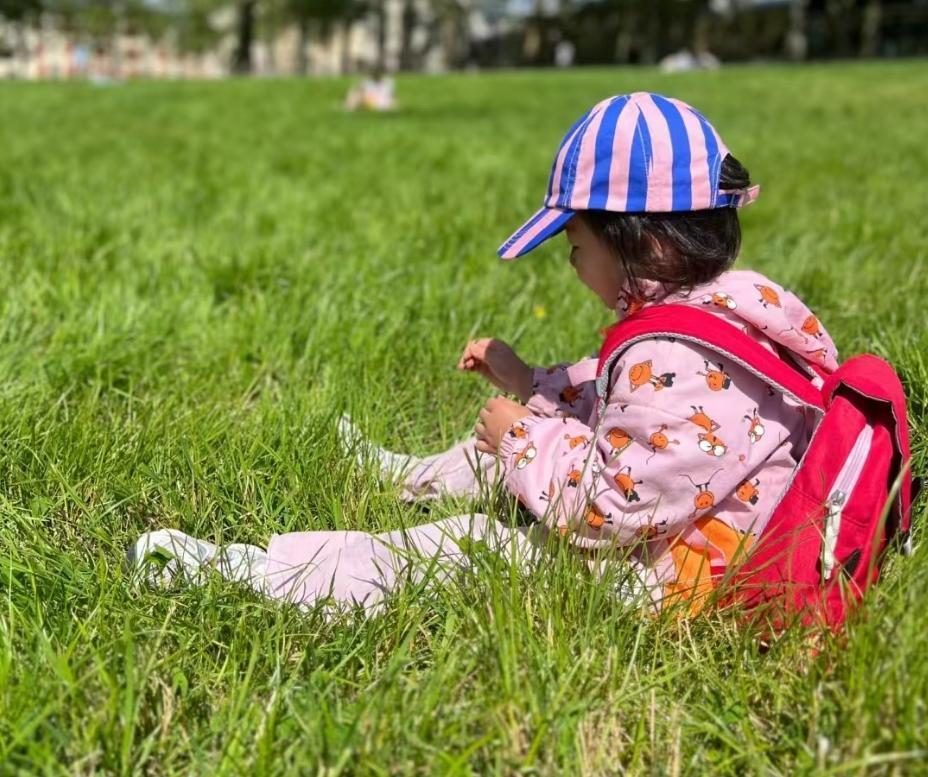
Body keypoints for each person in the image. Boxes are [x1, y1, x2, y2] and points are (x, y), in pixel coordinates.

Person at [134, 92, 837, 617]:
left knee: (476, 543)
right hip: (694, 519)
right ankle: (401, 476)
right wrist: (532, 382)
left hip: (688, 573)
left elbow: (613, 503)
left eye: (578, 245)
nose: (571, 262)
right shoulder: (726, 307)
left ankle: (257, 573)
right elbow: (630, 413)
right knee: (504, 451)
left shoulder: (673, 352)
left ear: (645, 243)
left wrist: (524, 435)